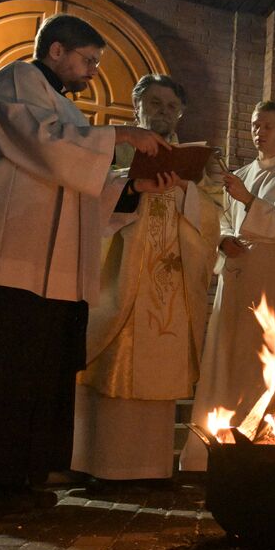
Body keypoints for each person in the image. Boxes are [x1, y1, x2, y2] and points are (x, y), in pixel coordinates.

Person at [0, 15, 170, 514]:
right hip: (1, 263)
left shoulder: (64, 109)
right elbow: (44, 145)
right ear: (56, 50)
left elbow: (73, 186)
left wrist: (130, 186)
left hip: (47, 274)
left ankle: (14, 479)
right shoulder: (15, 80)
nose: (92, 72)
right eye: (88, 60)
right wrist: (120, 134)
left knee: (28, 380)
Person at [72, 75, 222, 487]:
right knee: (112, 363)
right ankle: (100, 464)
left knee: (160, 369)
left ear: (181, 113)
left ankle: (150, 467)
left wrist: (186, 191)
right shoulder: (115, 148)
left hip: (169, 282)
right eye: (155, 103)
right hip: (120, 278)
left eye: (172, 106)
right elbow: (86, 197)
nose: (163, 112)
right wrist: (132, 185)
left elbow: (213, 215)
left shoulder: (193, 163)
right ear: (137, 105)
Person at [179, 101, 275, 472]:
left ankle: (261, 450)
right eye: (255, 125)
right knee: (225, 356)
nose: (259, 132)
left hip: (272, 280)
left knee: (261, 361)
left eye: (267, 126)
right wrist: (223, 240)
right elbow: (220, 218)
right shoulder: (239, 174)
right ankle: (210, 451)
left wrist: (249, 200)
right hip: (235, 278)